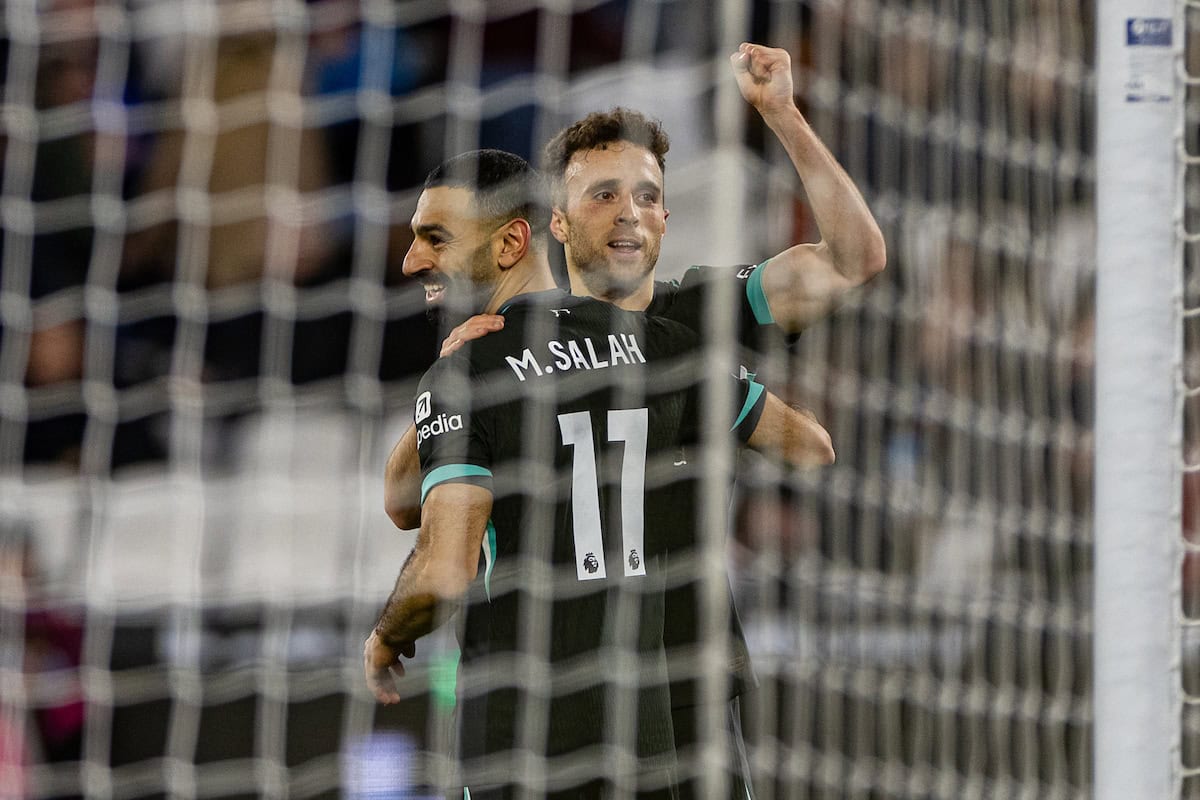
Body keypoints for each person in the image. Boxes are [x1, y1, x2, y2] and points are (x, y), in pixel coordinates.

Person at [387, 43, 883, 798]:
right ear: (556, 224)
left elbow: (853, 265)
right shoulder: (508, 354)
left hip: (688, 688)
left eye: (648, 195)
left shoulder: (692, 320)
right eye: (605, 195)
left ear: (666, 215)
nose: (631, 213)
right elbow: (400, 503)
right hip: (553, 697)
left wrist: (781, 112)